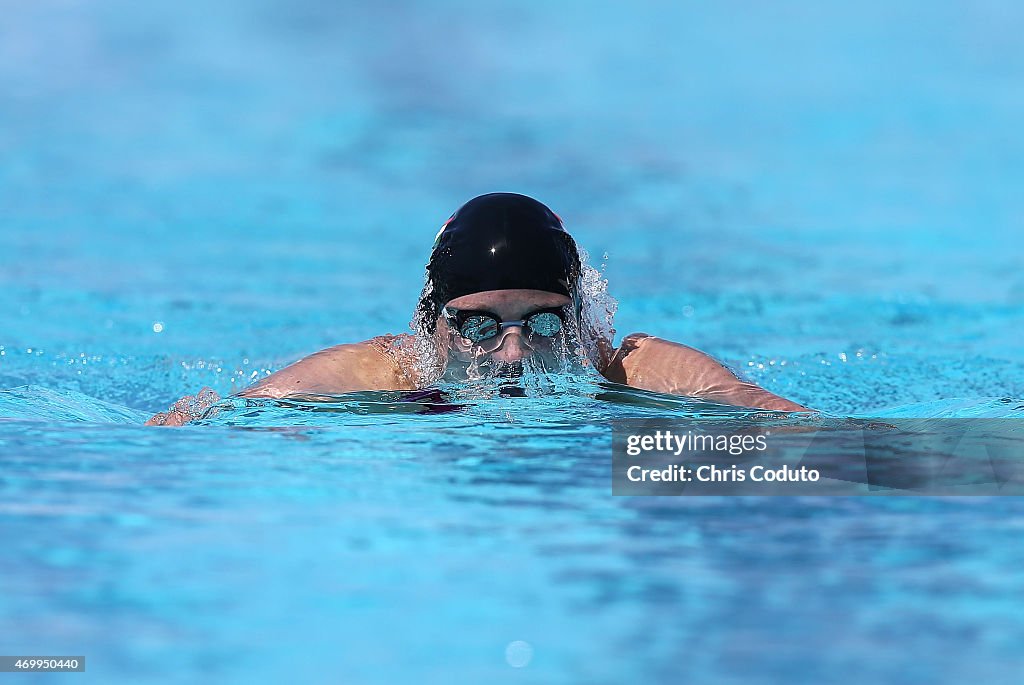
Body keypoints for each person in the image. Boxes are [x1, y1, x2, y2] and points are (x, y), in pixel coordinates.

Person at [146, 193, 809, 425]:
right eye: (481, 327)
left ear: (580, 321)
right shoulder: (387, 373)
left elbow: (801, 428)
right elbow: (202, 422)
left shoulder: (625, 371)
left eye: (545, 321)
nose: (514, 353)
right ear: (434, 327)